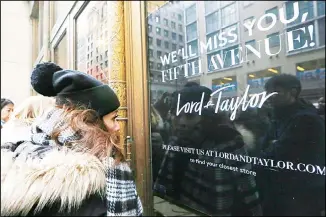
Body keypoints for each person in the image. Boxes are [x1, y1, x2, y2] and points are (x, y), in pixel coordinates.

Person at [1, 62, 143, 216]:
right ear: (88, 122)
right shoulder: (92, 182)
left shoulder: (25, 149)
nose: (117, 127)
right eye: (114, 119)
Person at [154, 84, 262, 216]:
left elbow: (248, 189)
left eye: (190, 116)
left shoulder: (226, 142)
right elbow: (163, 182)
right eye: (176, 114)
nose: (181, 122)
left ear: (205, 117)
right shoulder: (176, 141)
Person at [258, 74, 325, 216]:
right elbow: (264, 147)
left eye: (275, 92)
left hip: (300, 193)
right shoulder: (280, 116)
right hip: (284, 189)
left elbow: (277, 153)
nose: (269, 96)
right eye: (267, 92)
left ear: (293, 92)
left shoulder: (305, 119)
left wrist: (271, 146)